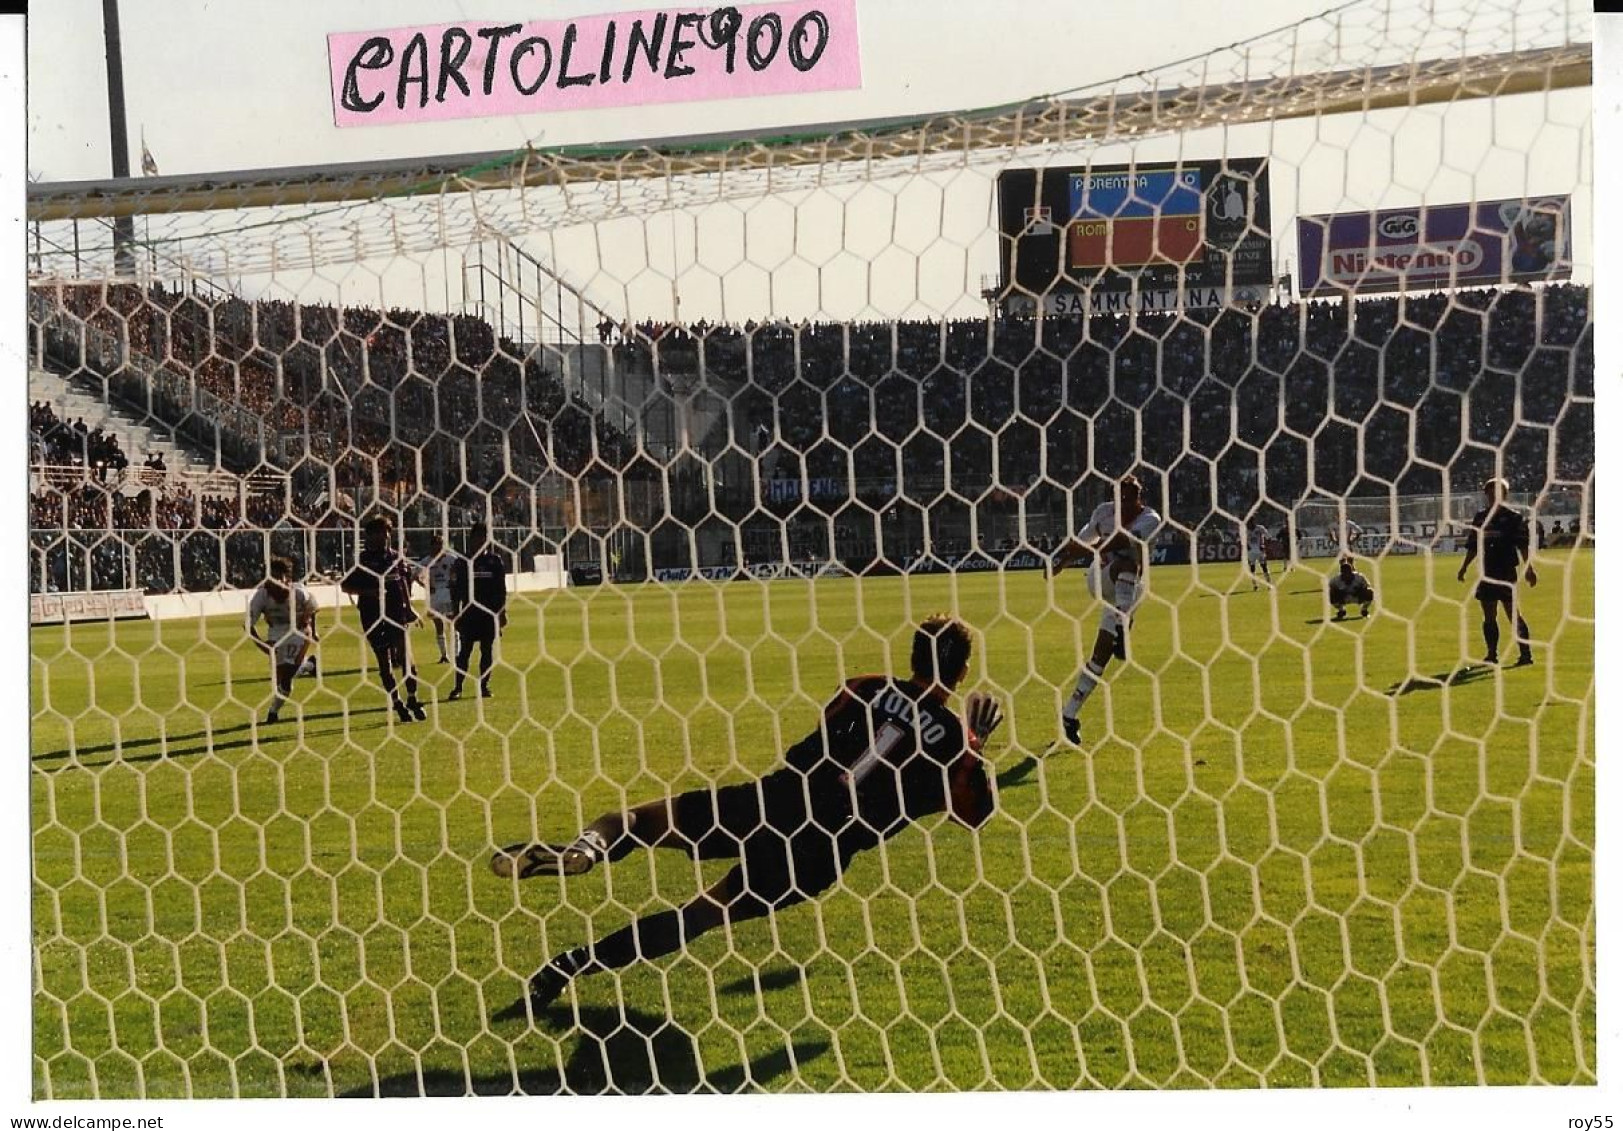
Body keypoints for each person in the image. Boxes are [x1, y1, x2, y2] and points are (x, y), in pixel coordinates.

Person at [494, 615, 1003, 1017]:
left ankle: (583, 852)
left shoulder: (863, 685)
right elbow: (972, 815)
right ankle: (569, 966)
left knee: (638, 821)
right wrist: (976, 749)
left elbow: (825, 730)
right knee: (698, 916)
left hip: (775, 800)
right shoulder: (955, 742)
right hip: (821, 852)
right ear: (961, 672)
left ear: (912, 654)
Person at [1049, 474, 1162, 746]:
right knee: (1127, 565)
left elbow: (1124, 541)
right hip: (1100, 577)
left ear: (1139, 496)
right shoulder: (1103, 512)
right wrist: (1061, 558)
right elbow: (1083, 538)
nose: (1125, 498)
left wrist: (1095, 546)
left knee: (1101, 657)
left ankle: (1069, 714)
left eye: (1131, 493)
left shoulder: (1151, 519)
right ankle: (1123, 628)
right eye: (1121, 493)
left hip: (1130, 592)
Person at [340, 513, 427, 723]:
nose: (384, 537)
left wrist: (410, 607)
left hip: (396, 613)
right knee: (384, 662)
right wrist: (368, 592)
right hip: (372, 616)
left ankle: (413, 698)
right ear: (369, 536)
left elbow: (403, 582)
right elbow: (345, 585)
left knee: (407, 658)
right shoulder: (364, 560)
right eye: (379, 533)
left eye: (387, 532)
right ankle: (397, 704)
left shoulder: (395, 557)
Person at [1457, 477, 1537, 666]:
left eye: (1498, 492)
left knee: (1512, 613)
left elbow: (1523, 545)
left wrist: (1529, 569)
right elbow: (1473, 545)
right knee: (1489, 614)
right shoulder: (1480, 518)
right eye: (1491, 492)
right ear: (1486, 494)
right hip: (1487, 571)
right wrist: (1464, 567)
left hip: (1507, 571)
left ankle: (1526, 655)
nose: (1494, 495)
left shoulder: (1513, 518)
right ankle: (1492, 655)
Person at [246, 556, 318, 725]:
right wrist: (264, 646)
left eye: (280, 577)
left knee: (286, 678)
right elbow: (248, 626)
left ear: (288, 579)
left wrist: (312, 630)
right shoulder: (261, 596)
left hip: (298, 632)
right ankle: (309, 665)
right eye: (273, 576)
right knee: (282, 679)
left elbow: (313, 607)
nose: (276, 581)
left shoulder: (299, 592)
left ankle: (272, 713)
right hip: (275, 634)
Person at [449, 521, 509, 701]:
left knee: (487, 650)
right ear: (471, 538)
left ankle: (484, 686)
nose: (480, 540)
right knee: (465, 651)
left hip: (488, 615)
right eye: (477, 537)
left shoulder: (494, 561)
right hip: (469, 614)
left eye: (484, 537)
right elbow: (455, 589)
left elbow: (501, 589)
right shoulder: (462, 562)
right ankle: (458, 687)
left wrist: (502, 613)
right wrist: (455, 612)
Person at [418, 532, 462, 665]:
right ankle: (444, 655)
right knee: (438, 625)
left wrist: (454, 584)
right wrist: (426, 586)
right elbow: (415, 576)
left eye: (441, 545)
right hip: (435, 596)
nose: (439, 548)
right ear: (431, 546)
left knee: (453, 623)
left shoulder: (451, 559)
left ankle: (457, 654)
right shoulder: (426, 561)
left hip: (448, 594)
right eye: (437, 545)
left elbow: (461, 571)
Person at [1327, 556, 1374, 620]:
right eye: (1344, 573)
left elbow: (1368, 586)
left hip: (1357, 597)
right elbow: (1329, 587)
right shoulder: (1336, 579)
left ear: (1351, 572)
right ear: (1341, 573)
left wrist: (1360, 590)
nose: (1346, 575)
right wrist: (1338, 592)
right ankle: (1341, 610)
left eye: (1348, 573)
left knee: (1370, 592)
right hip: (1343, 598)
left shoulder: (1359, 577)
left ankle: (1364, 609)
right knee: (1330, 593)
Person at [1246, 519, 1272, 590]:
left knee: (1264, 567)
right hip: (1251, 552)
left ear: (1253, 522)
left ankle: (1269, 584)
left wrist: (1265, 546)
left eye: (1250, 522)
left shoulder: (1260, 528)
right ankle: (1255, 585)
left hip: (1260, 551)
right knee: (1252, 568)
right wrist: (1246, 546)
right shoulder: (1245, 530)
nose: (1249, 524)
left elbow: (1269, 537)